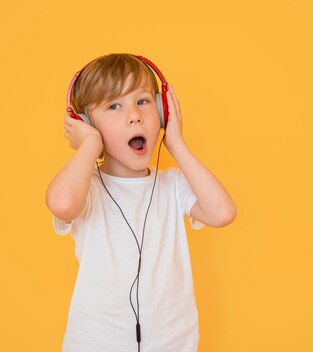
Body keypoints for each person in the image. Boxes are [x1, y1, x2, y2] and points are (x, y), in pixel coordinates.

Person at [46, 53, 237, 351]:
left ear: (163, 112)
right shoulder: (88, 188)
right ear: (85, 124)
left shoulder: (172, 186)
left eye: (144, 101)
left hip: (173, 344)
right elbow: (62, 203)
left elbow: (222, 212)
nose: (134, 115)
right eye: (114, 106)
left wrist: (176, 143)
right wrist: (90, 144)